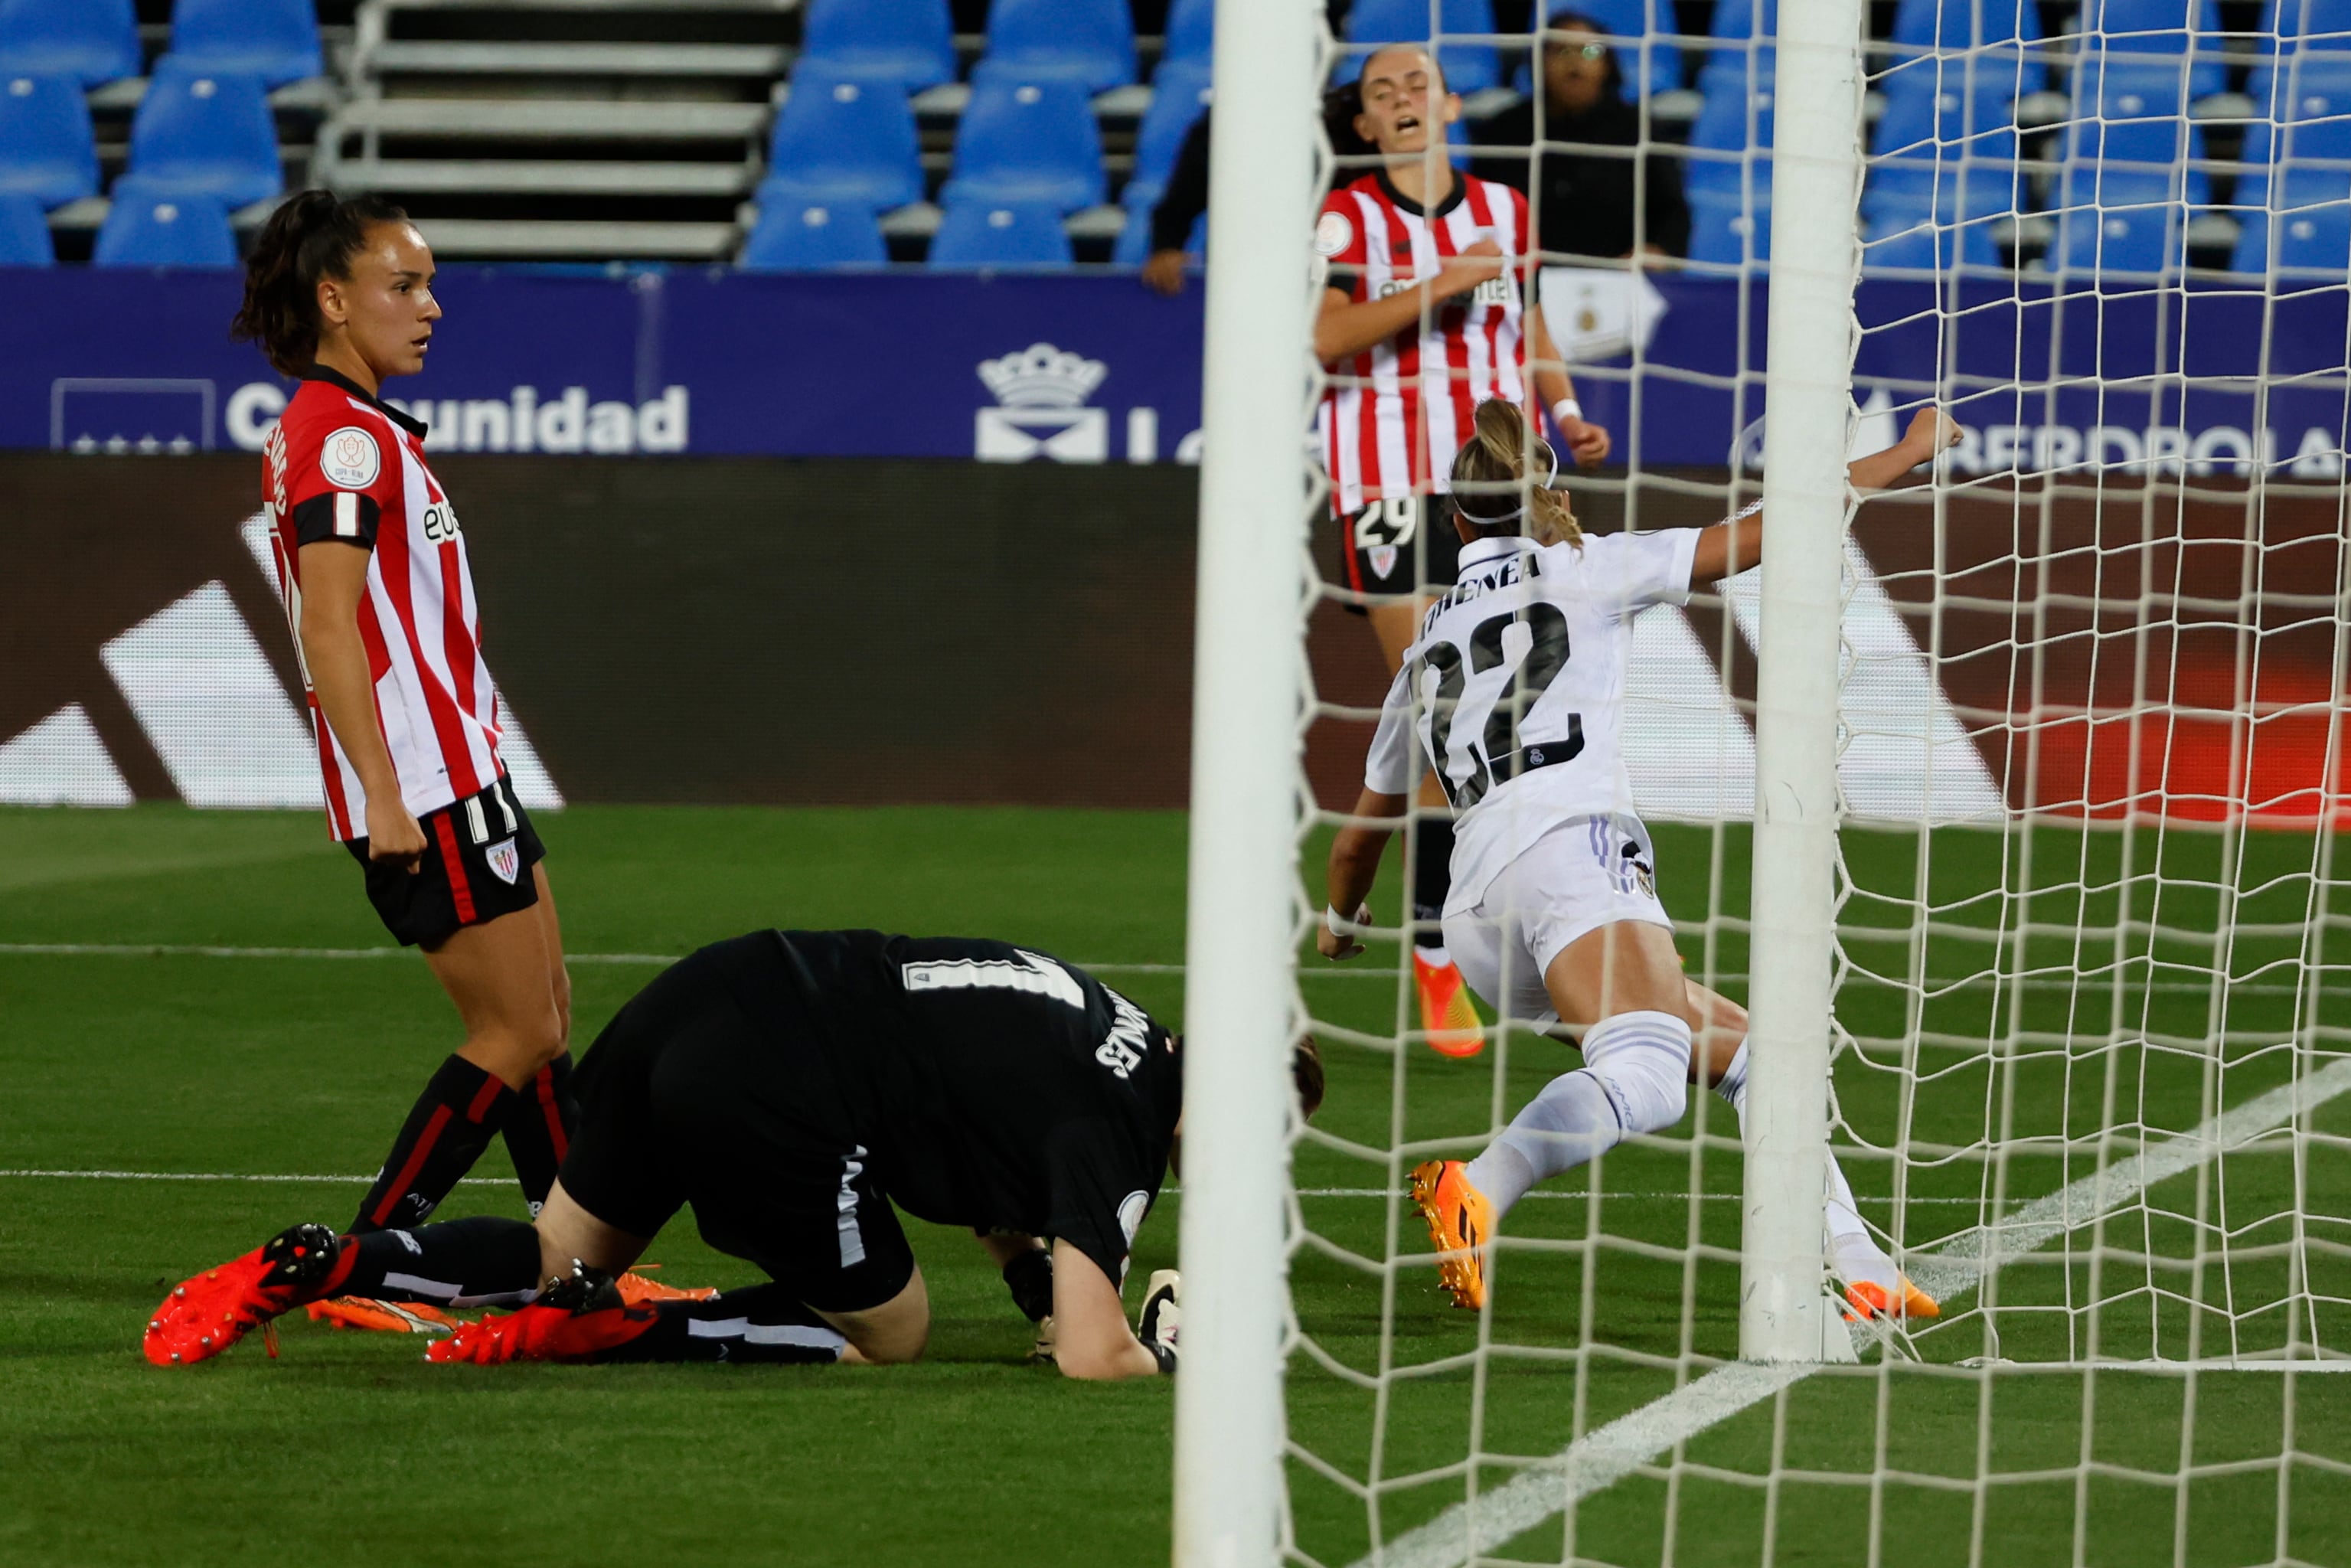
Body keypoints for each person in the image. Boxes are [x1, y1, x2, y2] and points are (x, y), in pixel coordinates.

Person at [1316, 398, 1961, 1321]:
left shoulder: (1421, 648)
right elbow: (1773, 533)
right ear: (1551, 499)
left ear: (1452, 520)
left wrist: (1341, 926)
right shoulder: (1584, 567)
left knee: (1761, 1056)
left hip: (1475, 918)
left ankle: (1854, 1256)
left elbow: (1355, 841)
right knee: (1651, 1073)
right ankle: (1479, 1187)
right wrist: (1907, 450)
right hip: (1570, 860)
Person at [145, 929, 1327, 1380]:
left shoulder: (1107, 1023)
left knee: (557, 1244)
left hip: (718, 987)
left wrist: (1033, 1278)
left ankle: (326, 1263)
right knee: (895, 1333)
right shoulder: (1126, 1131)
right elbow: (1086, 1352)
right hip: (785, 1089)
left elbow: (990, 1165)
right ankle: (622, 1328)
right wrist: (1167, 1353)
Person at [228, 193, 638, 1329]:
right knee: (515, 1032)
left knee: (546, 1016)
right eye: (402, 285)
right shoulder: (344, 437)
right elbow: (326, 624)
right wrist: (383, 792)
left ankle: (569, 1266)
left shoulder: (350, 427)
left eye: (427, 282)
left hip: (461, 768)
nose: (429, 306)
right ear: (332, 299)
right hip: (424, 783)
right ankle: (356, 1268)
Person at [1315, 42, 1613, 1058]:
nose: (1400, 100)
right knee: (1443, 714)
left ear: (1446, 103)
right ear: (1361, 126)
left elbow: (1522, 317)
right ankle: (1438, 948)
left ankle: (1511, 935)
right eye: (1378, 93)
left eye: (1414, 85)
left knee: (1501, 724)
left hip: (1490, 483)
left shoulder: (1504, 209)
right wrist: (1444, 281)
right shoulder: (1346, 216)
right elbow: (1326, 337)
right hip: (1387, 485)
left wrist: (1564, 410)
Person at [1471, 11, 1691, 263]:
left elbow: (1672, 212)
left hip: (1619, 282)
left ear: (1608, 63)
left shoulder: (1639, 130)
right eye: (1561, 51)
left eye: (1589, 51)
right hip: (1524, 276)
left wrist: (1656, 252)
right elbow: (1480, 209)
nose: (1575, 63)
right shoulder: (1505, 131)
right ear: (1539, 61)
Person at [1139, 83, 1376, 297]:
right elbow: (1179, 204)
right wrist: (1166, 248)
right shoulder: (1225, 121)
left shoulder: (1350, 113)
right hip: (1243, 279)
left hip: (1342, 276)